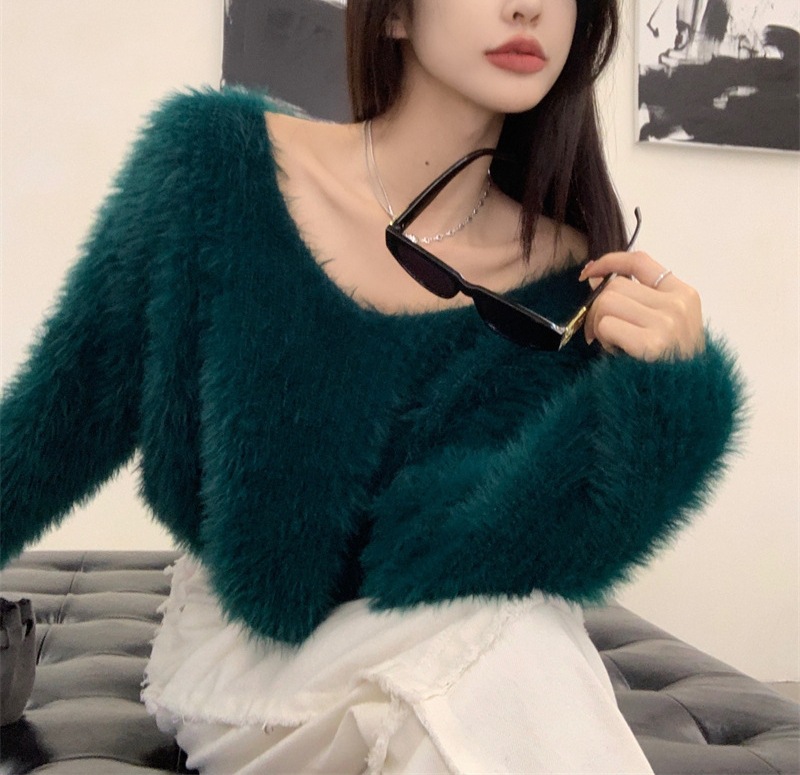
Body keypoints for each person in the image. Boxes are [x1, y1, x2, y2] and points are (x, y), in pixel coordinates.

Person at [1, 0, 743, 772]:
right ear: (393, 16)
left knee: (510, 646)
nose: (528, 7)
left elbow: (459, 550)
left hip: (450, 636)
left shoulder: (568, 284)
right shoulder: (219, 163)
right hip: (253, 658)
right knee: (510, 657)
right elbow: (63, 411)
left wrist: (668, 394)